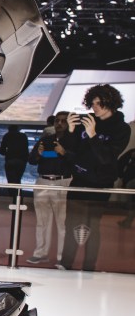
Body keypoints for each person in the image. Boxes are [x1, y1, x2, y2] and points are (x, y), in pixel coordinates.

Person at [57, 84, 131, 271]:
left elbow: (107, 158)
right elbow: (71, 149)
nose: (94, 107)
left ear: (112, 103)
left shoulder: (121, 129)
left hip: (100, 184)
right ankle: (66, 263)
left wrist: (93, 136)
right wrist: (71, 130)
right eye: (92, 103)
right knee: (71, 222)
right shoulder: (87, 121)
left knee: (93, 225)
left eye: (99, 103)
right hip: (79, 179)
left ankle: (89, 266)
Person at [26, 111, 73, 264]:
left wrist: (63, 152)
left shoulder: (74, 141)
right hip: (43, 181)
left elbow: (74, 162)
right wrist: (39, 154)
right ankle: (40, 252)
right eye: (57, 121)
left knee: (62, 222)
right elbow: (32, 160)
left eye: (63, 121)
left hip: (62, 182)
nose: (59, 124)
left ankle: (61, 257)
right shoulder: (45, 139)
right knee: (42, 220)